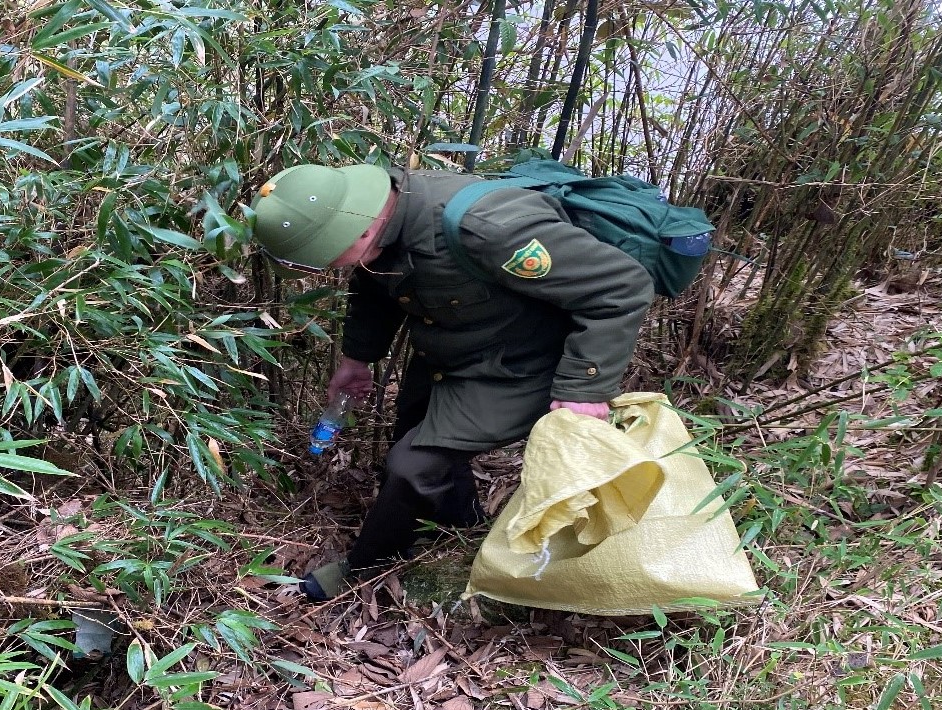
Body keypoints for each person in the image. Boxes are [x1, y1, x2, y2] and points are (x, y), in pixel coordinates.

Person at [251, 161, 654, 601]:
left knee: (413, 465)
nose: (326, 268)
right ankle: (460, 523)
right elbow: (375, 289)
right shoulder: (379, 221)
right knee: (415, 431)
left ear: (361, 230)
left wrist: (584, 388)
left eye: (329, 258)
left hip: (527, 365)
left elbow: (621, 286)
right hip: (452, 350)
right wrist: (357, 359)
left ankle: (367, 567)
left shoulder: (489, 229)